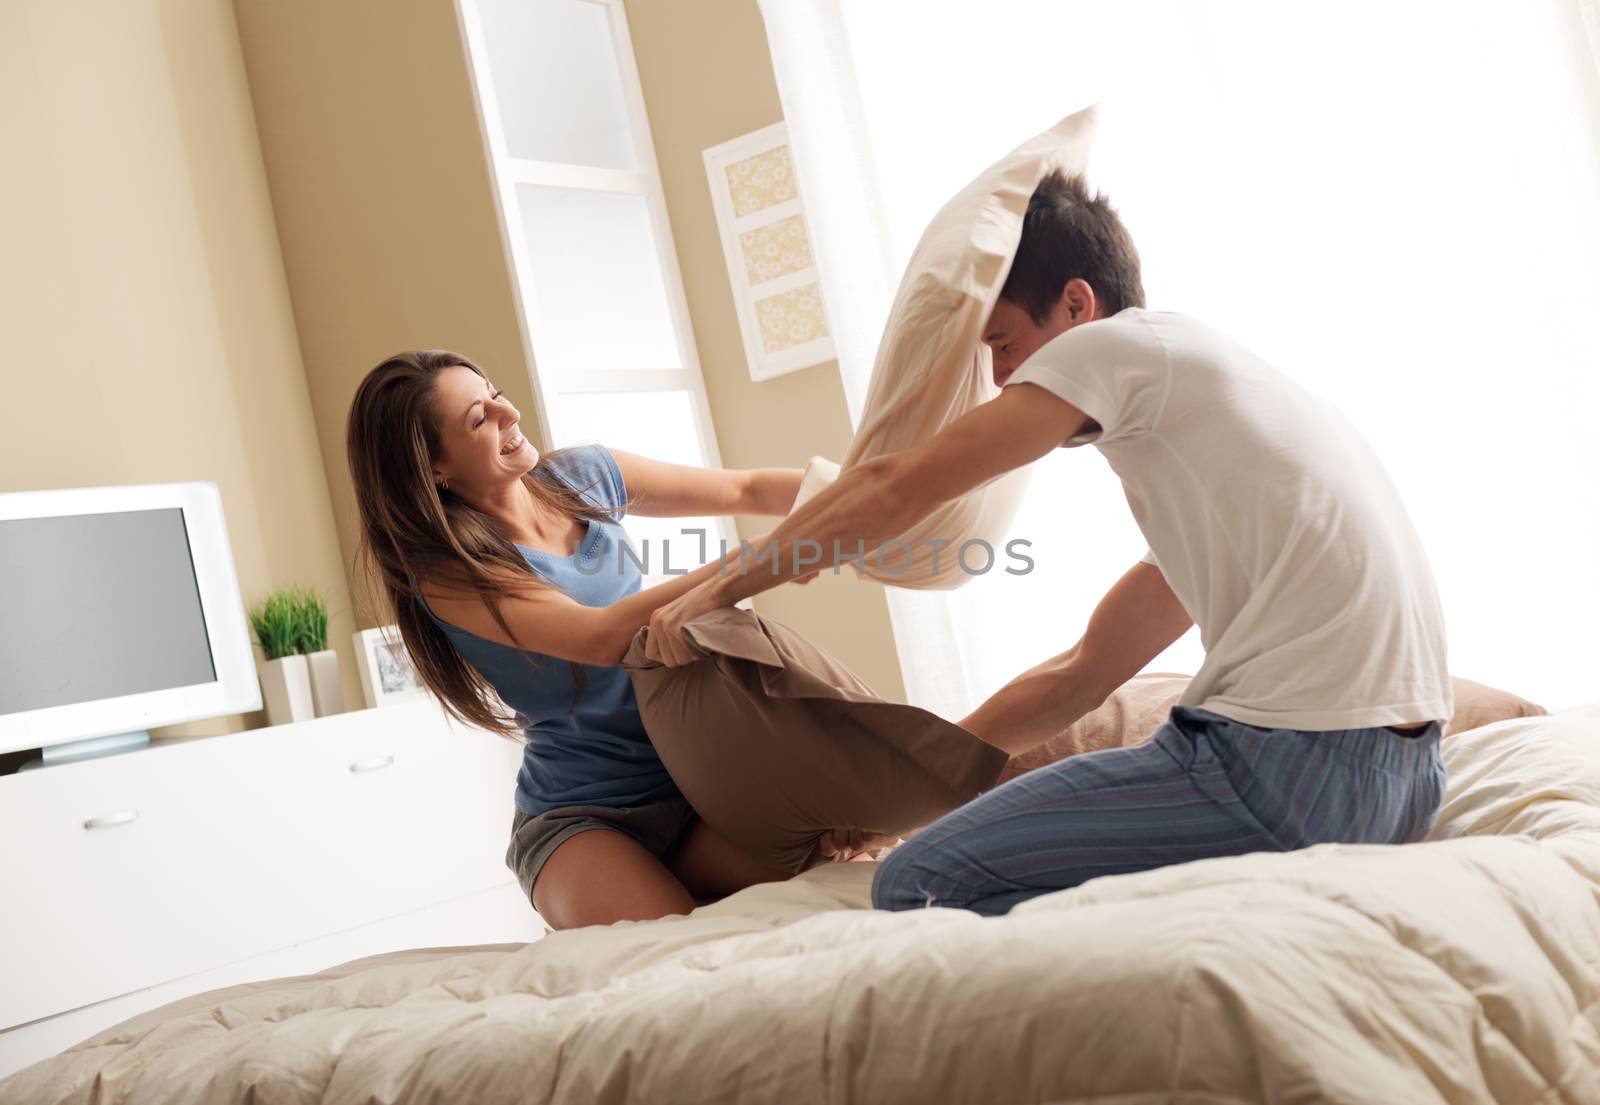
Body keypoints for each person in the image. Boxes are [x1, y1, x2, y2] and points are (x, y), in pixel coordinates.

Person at [644, 170, 1452, 916]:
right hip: (1405, 781)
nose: (1000, 378)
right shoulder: (1220, 439)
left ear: (1076, 304)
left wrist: (712, 592)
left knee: (916, 882)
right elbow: (1079, 675)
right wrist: (892, 799)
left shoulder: (1125, 347)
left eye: (1003, 342)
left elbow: (895, 487)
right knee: (962, 845)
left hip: (1292, 768)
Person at [344, 350, 875, 930]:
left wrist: (867, 496)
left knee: (843, 871)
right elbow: (599, 637)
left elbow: (746, 490)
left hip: (697, 786)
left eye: (496, 392)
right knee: (680, 958)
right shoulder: (449, 573)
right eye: (479, 418)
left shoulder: (583, 477)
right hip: (585, 818)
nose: (510, 412)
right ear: (433, 470)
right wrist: (758, 562)